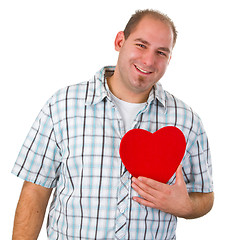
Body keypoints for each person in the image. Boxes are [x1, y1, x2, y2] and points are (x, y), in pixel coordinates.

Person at [12, 9, 214, 240]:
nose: (149, 60)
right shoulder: (62, 106)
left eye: (161, 52)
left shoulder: (187, 121)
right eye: (141, 45)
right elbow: (35, 190)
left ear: (169, 59)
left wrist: (185, 206)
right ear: (120, 41)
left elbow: (205, 196)